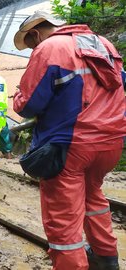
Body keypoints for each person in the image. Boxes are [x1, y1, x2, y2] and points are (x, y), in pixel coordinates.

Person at [13, 10, 125, 269]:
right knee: (93, 197)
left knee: (62, 215)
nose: (32, 48)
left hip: (71, 144)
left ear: (35, 33)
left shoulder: (50, 47)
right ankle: (106, 259)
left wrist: (19, 96)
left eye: (30, 44)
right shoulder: (102, 43)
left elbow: (29, 105)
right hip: (111, 141)